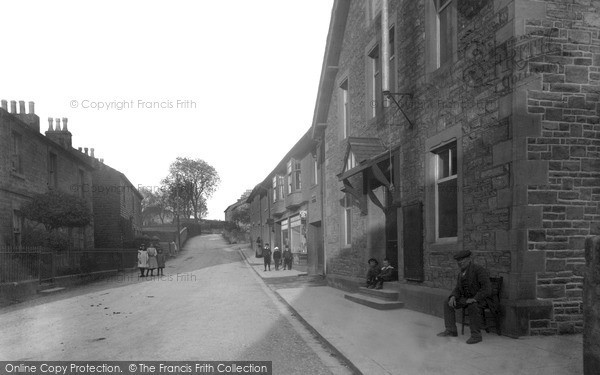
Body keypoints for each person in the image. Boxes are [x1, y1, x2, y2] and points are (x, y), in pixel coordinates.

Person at [437, 250, 492, 344]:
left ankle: (476, 336)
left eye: (462, 260)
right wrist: (453, 296)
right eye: (458, 261)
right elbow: (458, 288)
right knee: (447, 302)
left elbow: (487, 289)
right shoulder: (461, 273)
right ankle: (451, 330)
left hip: (482, 299)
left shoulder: (478, 270)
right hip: (467, 299)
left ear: (469, 259)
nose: (460, 262)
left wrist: (475, 298)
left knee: (473, 305)